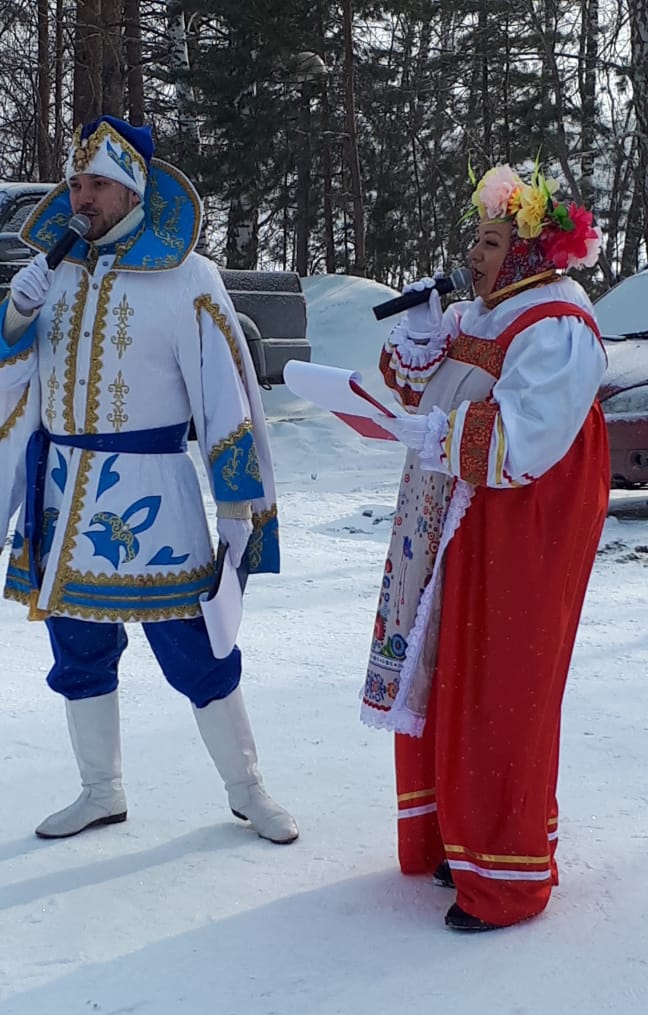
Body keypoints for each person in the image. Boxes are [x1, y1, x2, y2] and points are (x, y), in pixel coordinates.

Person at [0, 115, 298, 845]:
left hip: (156, 499)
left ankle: (248, 790)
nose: (81, 197)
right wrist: (14, 317)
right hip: (61, 498)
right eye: (75, 183)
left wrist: (237, 507)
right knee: (77, 650)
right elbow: (16, 384)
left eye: (97, 185)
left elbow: (225, 395)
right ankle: (100, 791)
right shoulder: (51, 274)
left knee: (198, 649)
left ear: (133, 192)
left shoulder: (188, 278)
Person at [361, 162, 609, 930]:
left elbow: (527, 436)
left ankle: (506, 875)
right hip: (457, 517)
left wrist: (440, 436)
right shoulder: (483, 311)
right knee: (447, 670)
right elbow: (418, 387)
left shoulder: (557, 322)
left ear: (531, 251)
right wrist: (421, 335)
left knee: (501, 683)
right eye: (477, 237)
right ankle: (459, 840)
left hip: (518, 522)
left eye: (493, 241)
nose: (475, 252)